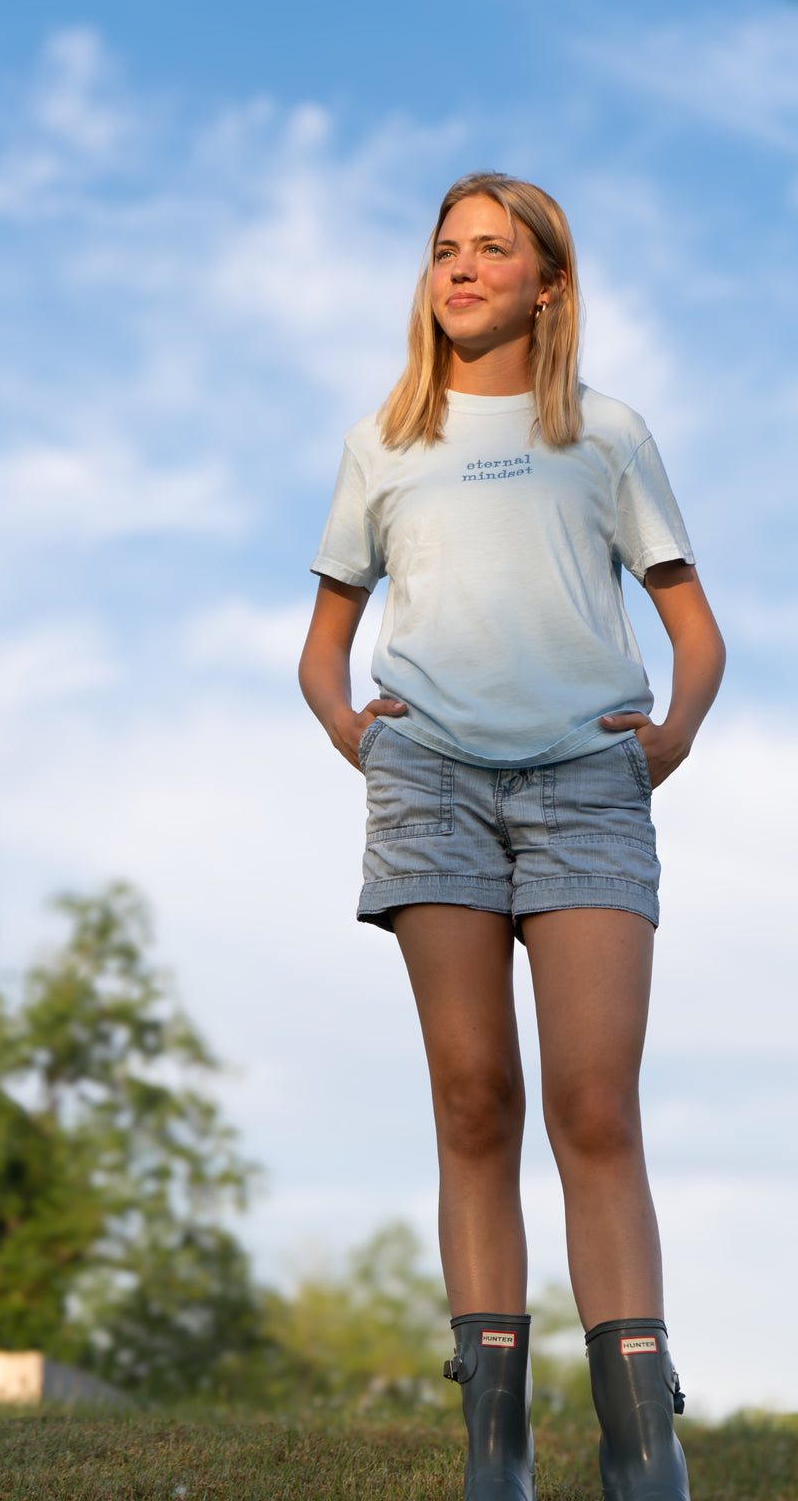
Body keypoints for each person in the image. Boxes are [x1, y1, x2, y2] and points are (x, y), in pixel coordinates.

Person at [298, 172, 724, 1501]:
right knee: (473, 1103)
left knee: (595, 1107)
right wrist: (358, 734)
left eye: (493, 250)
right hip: (430, 781)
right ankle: (496, 1455)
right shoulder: (384, 440)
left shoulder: (606, 435)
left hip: (587, 786)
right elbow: (322, 651)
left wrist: (670, 740)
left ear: (550, 282)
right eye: (445, 250)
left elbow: (694, 633)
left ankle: (643, 1451)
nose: (463, 268)